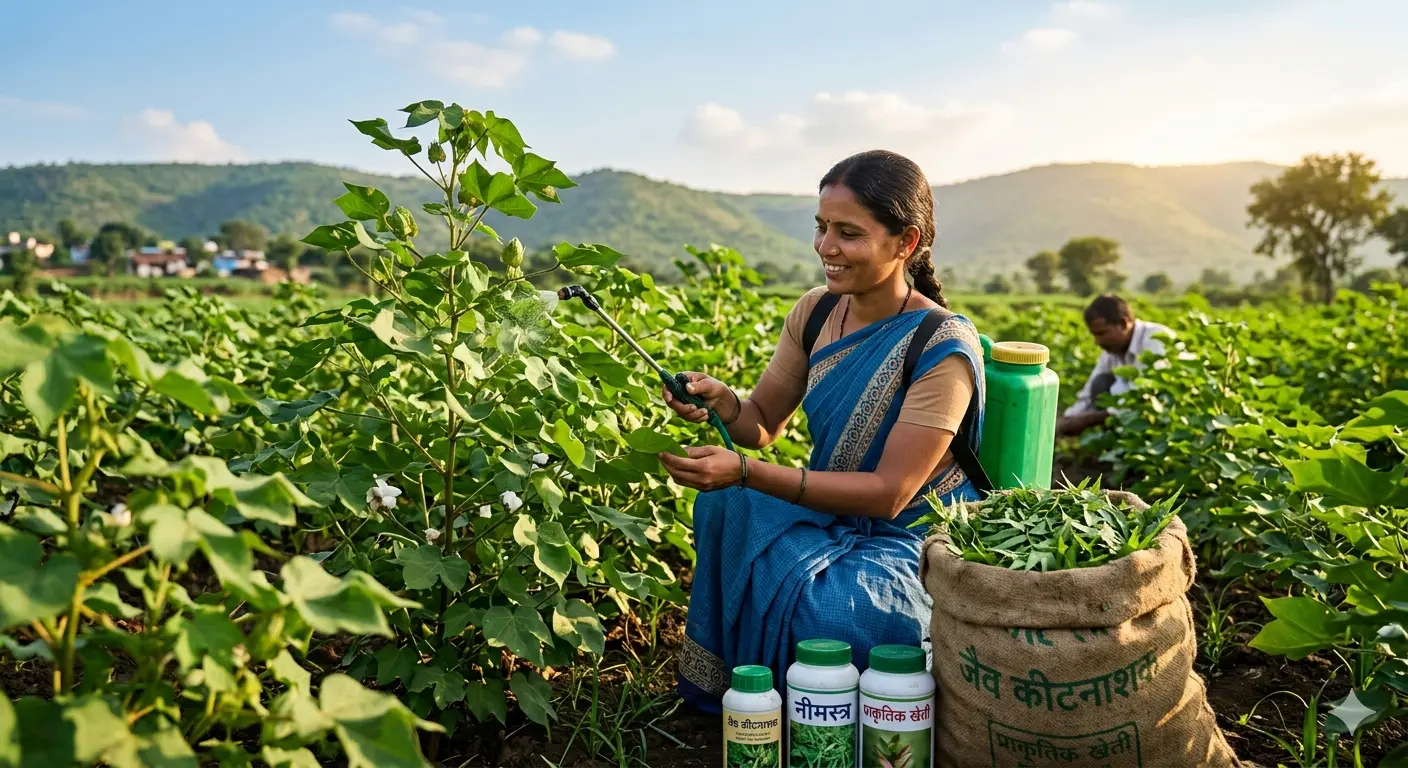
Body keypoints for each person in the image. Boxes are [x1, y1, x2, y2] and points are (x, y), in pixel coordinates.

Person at [654, 149, 986, 713]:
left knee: (831, 616)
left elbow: (889, 495)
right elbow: (760, 423)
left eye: (848, 233)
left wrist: (744, 470)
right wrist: (722, 401)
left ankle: (795, 698)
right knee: (725, 506)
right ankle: (734, 689)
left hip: (915, 538)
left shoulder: (942, 346)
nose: (826, 247)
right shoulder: (815, 312)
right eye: (822, 227)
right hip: (833, 513)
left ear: (905, 241)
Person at [1056, 294, 1173, 437]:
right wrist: (1067, 420)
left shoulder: (1155, 339)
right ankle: (1117, 446)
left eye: (1102, 333)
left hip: (1167, 414)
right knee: (1100, 383)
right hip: (1130, 412)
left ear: (1124, 323)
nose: (1097, 342)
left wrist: (1092, 419)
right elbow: (1087, 395)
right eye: (1094, 335)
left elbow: (1144, 397)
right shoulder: (1112, 350)